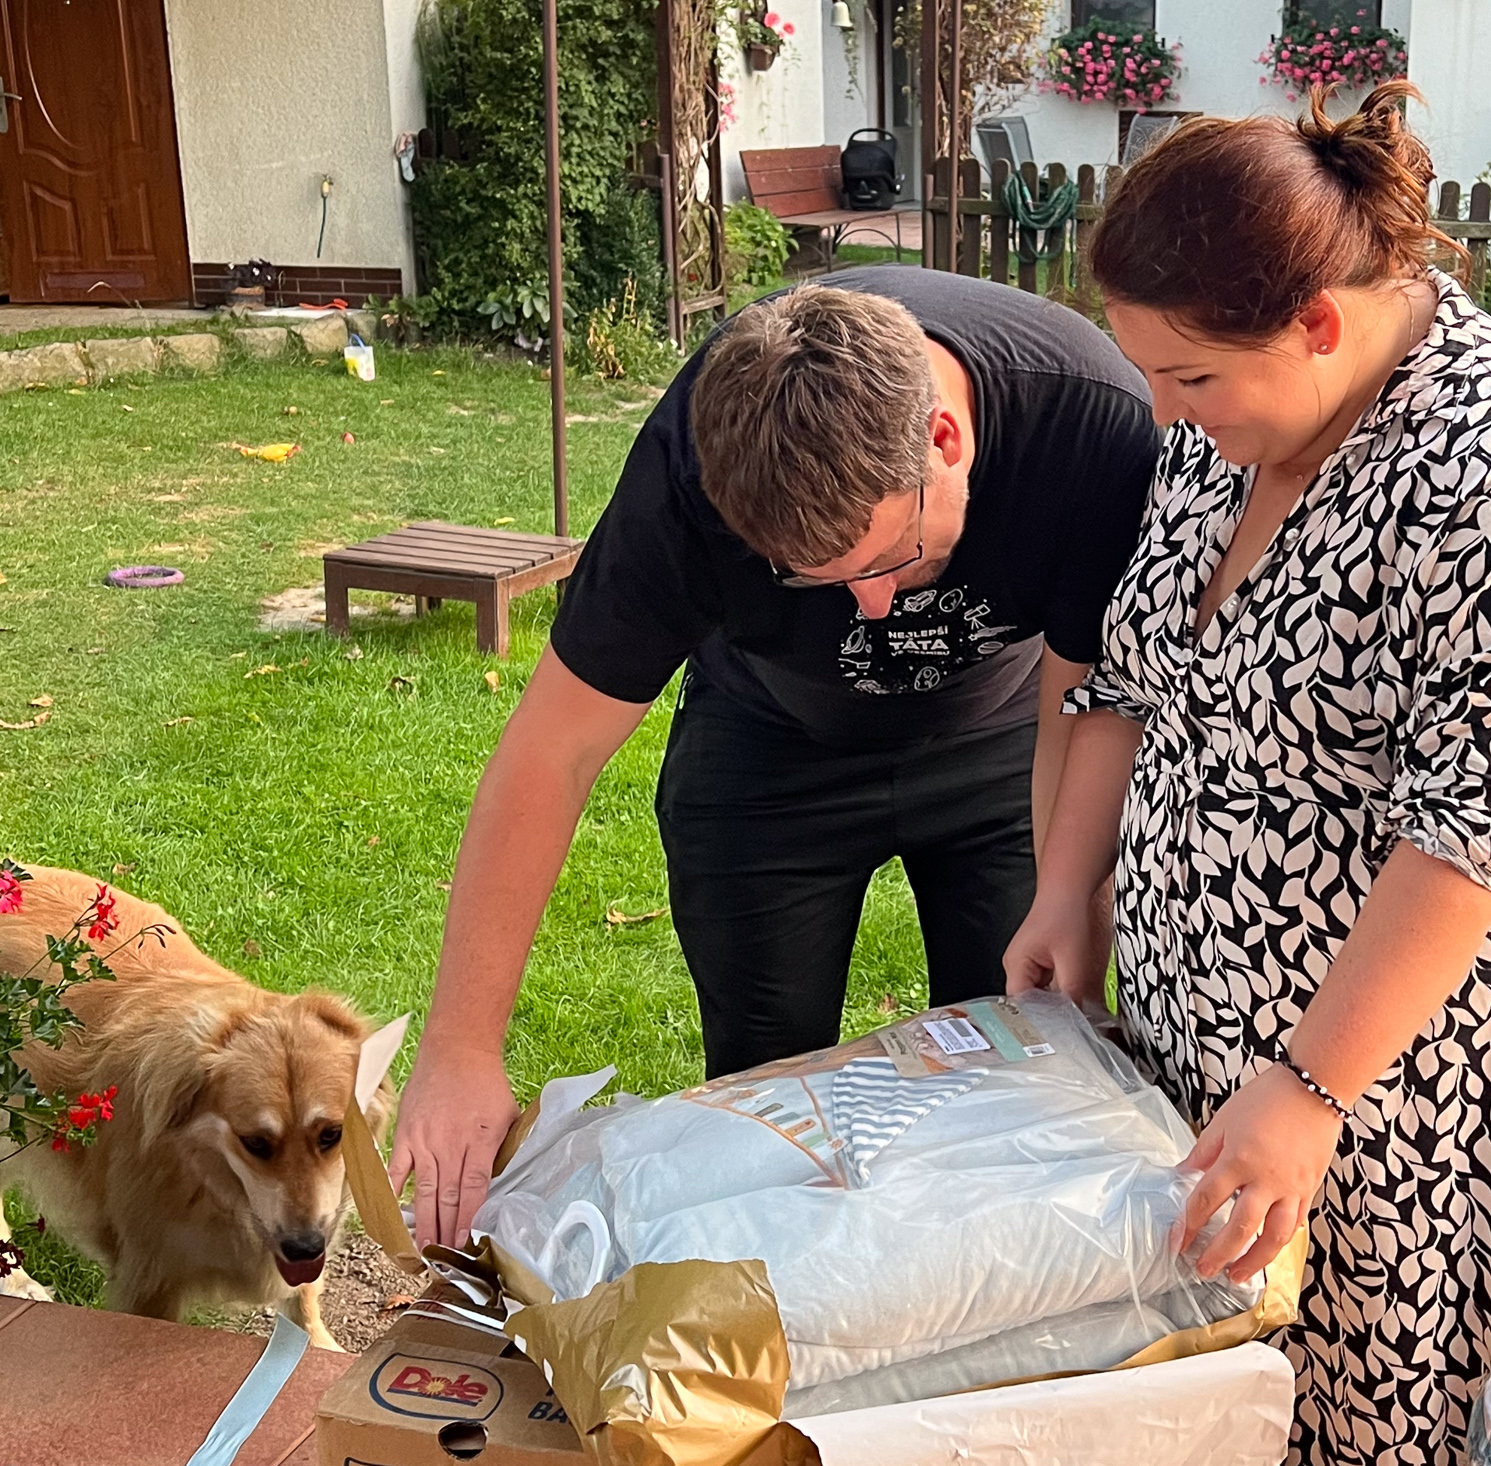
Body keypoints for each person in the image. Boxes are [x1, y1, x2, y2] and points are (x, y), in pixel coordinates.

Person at [1005, 86, 1491, 1466]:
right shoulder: (1223, 426)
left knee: (1368, 1441)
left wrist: (1305, 1092)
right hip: (1211, 1039)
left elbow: (1475, 834)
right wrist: (1067, 889)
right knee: (1220, 1416)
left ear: (1312, 321)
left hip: (1407, 1082)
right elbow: (1132, 675)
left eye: (1185, 376)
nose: (1161, 412)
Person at [394, 267, 1158, 1250]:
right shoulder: (686, 473)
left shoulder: (1090, 422)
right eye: (814, 579)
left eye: (890, 559)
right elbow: (554, 750)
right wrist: (459, 1046)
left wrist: (1067, 895)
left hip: (1003, 742)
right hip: (767, 744)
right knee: (760, 1097)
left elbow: (1083, 703)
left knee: (1007, 1082)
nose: (870, 607)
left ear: (945, 441)